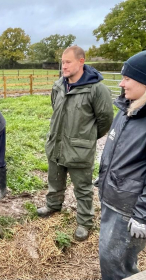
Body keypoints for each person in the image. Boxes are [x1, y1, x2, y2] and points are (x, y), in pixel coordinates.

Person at [97, 50, 146, 280]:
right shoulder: (128, 109)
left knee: (118, 266)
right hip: (112, 196)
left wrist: (144, 216)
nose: (121, 83)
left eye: (128, 78)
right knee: (108, 259)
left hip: (129, 209)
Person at [37, 45, 114, 241]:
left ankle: (85, 222)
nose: (63, 66)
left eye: (68, 62)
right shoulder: (58, 86)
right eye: (62, 62)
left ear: (81, 62)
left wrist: (86, 137)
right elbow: (56, 108)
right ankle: (53, 205)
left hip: (79, 149)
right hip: (56, 143)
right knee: (54, 180)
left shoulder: (97, 90)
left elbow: (105, 120)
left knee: (83, 188)